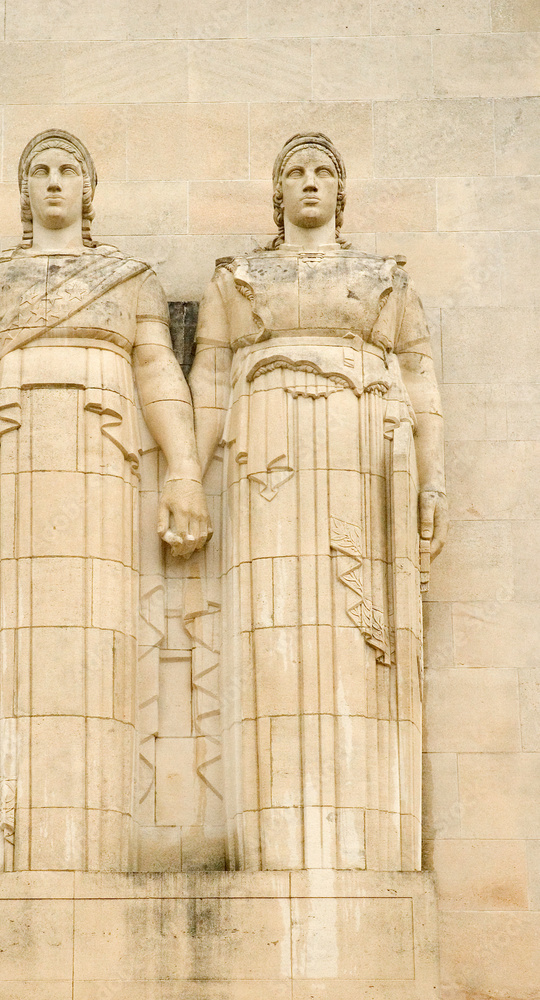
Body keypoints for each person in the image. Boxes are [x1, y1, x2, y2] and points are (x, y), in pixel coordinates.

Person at [0, 129, 210, 872]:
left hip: (100, 450)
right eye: (40, 172)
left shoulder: (129, 277)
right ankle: (2, 824)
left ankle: (89, 840)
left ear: (90, 191)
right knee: (11, 624)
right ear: (24, 192)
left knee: (97, 625)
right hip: (10, 452)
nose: (54, 181)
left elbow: (157, 372)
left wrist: (183, 473)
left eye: (68, 171)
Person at [189, 133, 447, 872]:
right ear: (278, 196)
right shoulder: (240, 277)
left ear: (340, 192)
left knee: (358, 637)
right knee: (273, 621)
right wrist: (184, 478)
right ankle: (275, 835)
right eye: (294, 173)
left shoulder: (384, 278)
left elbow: (421, 385)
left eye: (322, 172)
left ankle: (362, 833)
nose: (308, 182)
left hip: (364, 446)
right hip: (267, 448)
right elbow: (209, 380)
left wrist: (435, 480)